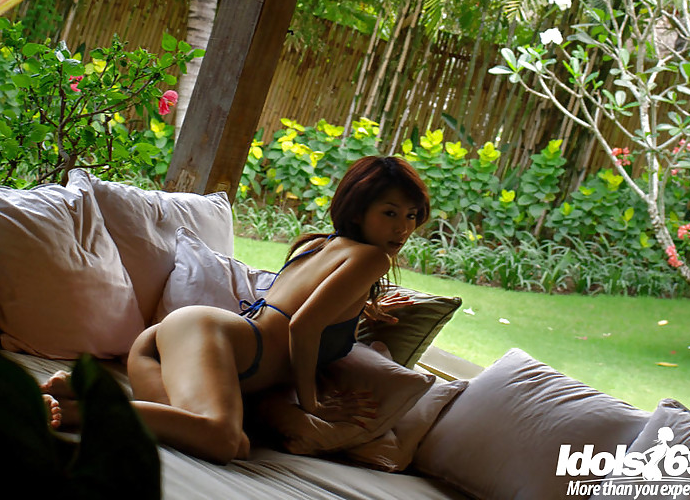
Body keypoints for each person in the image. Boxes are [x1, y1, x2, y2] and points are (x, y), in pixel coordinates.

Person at [41, 154, 430, 463]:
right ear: (358, 211)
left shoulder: (319, 245)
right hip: (215, 337)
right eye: (390, 213)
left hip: (168, 344)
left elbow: (305, 305)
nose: (403, 229)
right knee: (223, 440)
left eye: (411, 216)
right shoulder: (371, 259)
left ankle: (79, 392)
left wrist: (366, 309)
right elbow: (303, 327)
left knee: (236, 444)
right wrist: (314, 404)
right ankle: (71, 413)